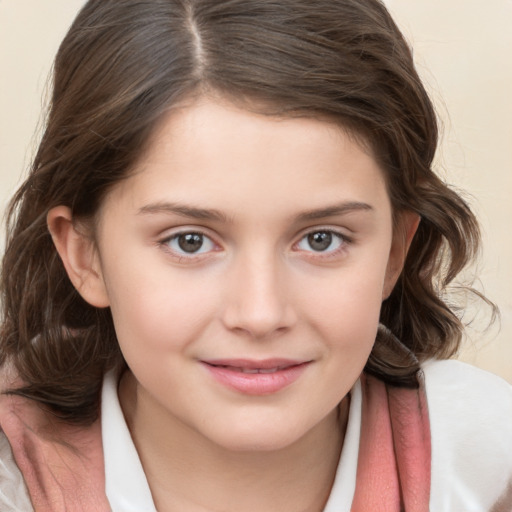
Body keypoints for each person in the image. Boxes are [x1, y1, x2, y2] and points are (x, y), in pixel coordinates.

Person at [1, 0, 511, 510]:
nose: (261, 314)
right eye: (190, 241)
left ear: (395, 252)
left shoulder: (486, 463)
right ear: (84, 255)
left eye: (321, 239)